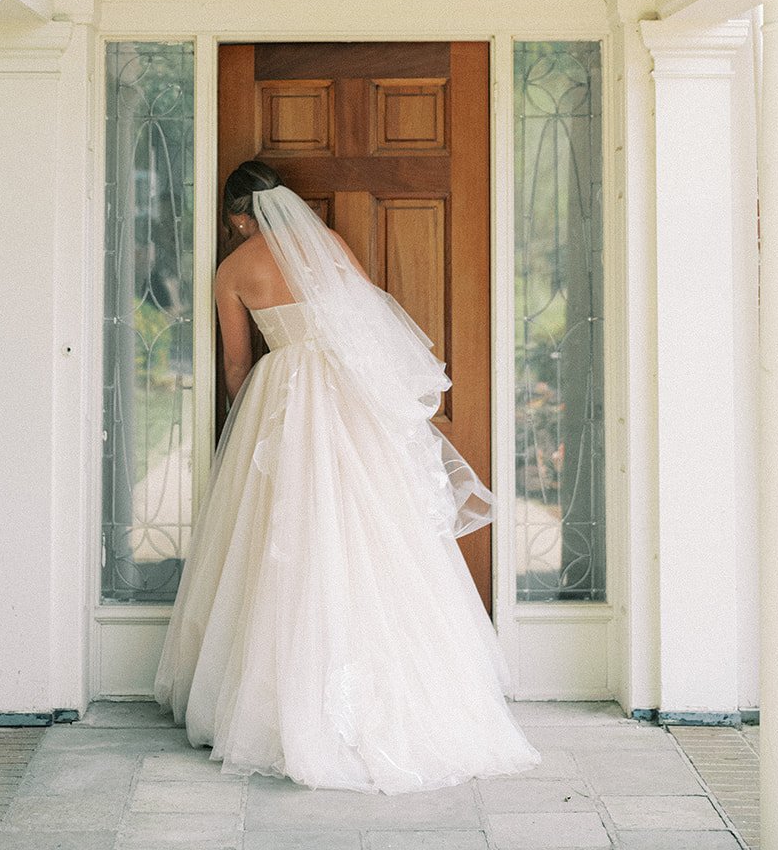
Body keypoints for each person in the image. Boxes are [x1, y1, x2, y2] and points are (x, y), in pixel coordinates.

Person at [153, 159, 540, 793]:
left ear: (238, 216)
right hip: (347, 390)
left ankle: (281, 702)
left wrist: (248, 418)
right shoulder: (327, 244)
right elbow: (373, 321)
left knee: (283, 538)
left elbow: (235, 365)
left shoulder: (232, 270)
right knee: (376, 532)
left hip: (280, 393)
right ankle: (404, 699)